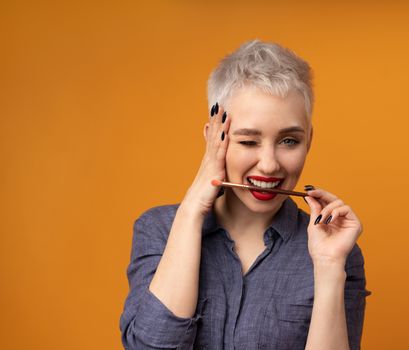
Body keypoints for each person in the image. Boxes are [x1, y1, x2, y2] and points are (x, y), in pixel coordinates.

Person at [119, 39, 371, 350]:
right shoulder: (159, 229)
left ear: (309, 140)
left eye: (289, 141)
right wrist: (193, 208)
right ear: (215, 138)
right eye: (249, 141)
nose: (269, 165)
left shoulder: (338, 252)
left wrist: (330, 268)